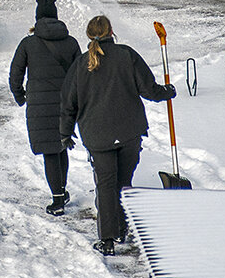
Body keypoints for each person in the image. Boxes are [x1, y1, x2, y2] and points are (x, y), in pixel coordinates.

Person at [60, 15, 175, 256]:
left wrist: (65, 132)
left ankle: (108, 239)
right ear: (111, 31)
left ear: (89, 35)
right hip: (128, 132)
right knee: (123, 182)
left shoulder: (81, 64)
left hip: (98, 135)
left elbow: (69, 103)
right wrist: (167, 92)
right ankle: (123, 228)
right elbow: (148, 89)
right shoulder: (126, 55)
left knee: (105, 186)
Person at [9, 0, 82, 216]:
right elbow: (81, 74)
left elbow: (15, 74)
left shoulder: (28, 43)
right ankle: (61, 191)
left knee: (51, 151)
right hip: (66, 104)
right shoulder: (70, 42)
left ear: (37, 18)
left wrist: (21, 97)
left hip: (39, 105)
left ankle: (58, 199)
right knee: (61, 146)